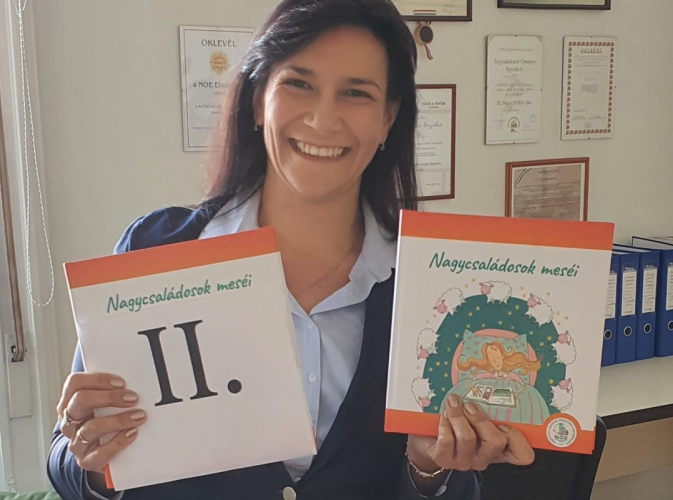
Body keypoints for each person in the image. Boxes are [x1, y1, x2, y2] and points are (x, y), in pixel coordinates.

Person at [47, 1, 535, 498]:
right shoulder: (156, 249)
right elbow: (67, 463)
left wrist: (430, 471)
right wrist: (92, 461)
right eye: (299, 84)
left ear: (388, 119)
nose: (323, 119)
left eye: (356, 93)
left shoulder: (434, 287)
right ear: (258, 100)